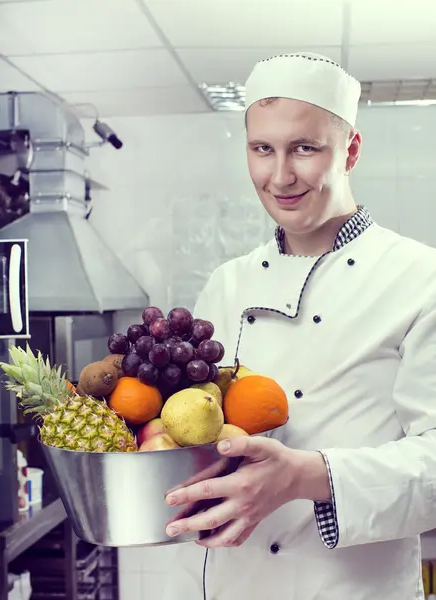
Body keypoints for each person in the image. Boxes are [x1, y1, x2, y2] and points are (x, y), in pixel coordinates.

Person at [161, 52, 436, 600]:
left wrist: (306, 477)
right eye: (262, 149)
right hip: (226, 582)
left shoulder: (421, 278)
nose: (279, 176)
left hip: (350, 588)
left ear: (350, 150)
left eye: (304, 148)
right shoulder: (226, 283)